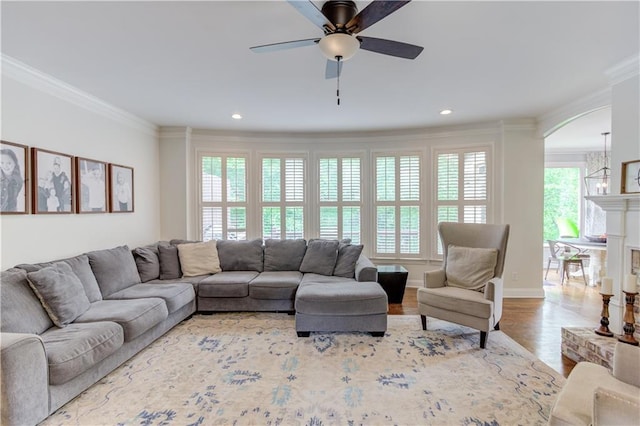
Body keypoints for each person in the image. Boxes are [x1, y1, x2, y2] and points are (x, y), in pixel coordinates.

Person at [0, 148, 23, 212]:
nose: (5, 166)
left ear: (15, 163)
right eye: (2, 162)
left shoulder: (19, 180)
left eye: (9, 163)